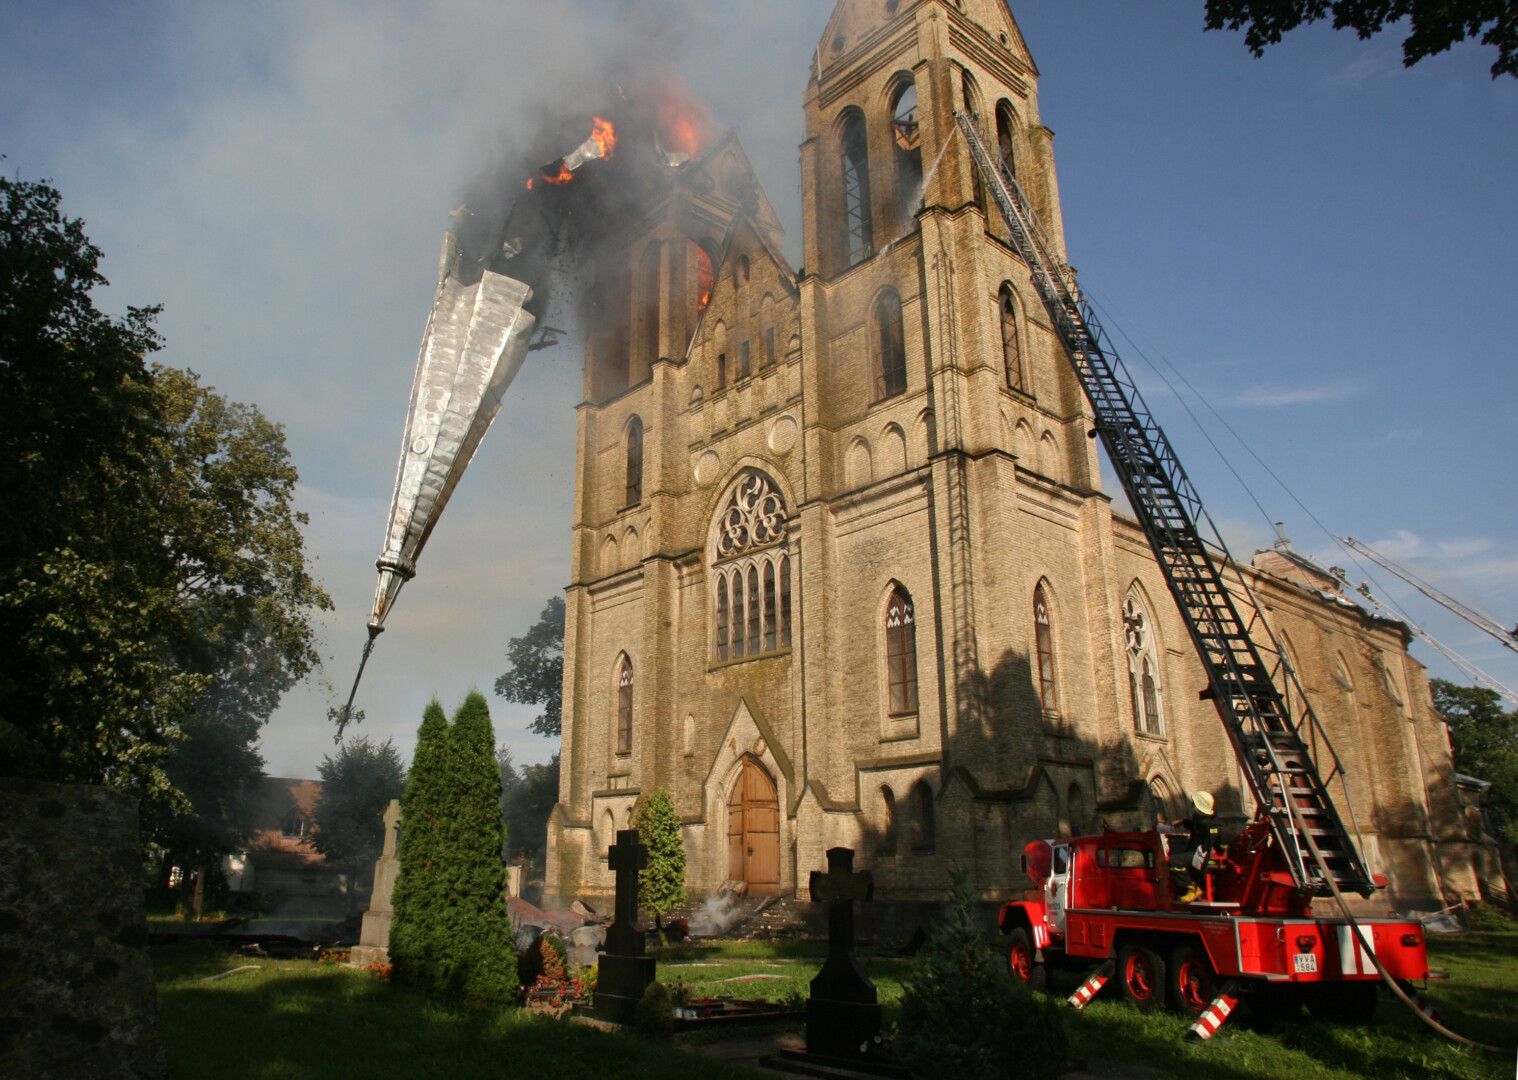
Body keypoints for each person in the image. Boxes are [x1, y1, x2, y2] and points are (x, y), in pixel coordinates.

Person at [1159, 791, 1218, 903]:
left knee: (1173, 861)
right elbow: (1192, 824)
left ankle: (1192, 888)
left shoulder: (1207, 824)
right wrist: (1182, 822)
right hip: (1196, 851)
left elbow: (1215, 840)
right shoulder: (1201, 820)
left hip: (1200, 854)